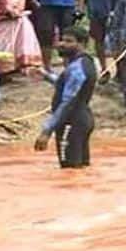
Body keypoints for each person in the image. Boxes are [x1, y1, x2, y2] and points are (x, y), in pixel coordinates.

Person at [34, 26, 97, 168]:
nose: (62, 44)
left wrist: (46, 131)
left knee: (69, 171)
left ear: (82, 44)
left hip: (71, 123)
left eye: (69, 41)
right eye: (62, 39)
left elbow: (67, 103)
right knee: (82, 167)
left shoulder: (77, 68)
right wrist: (46, 76)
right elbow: (71, 86)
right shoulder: (85, 62)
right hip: (82, 119)